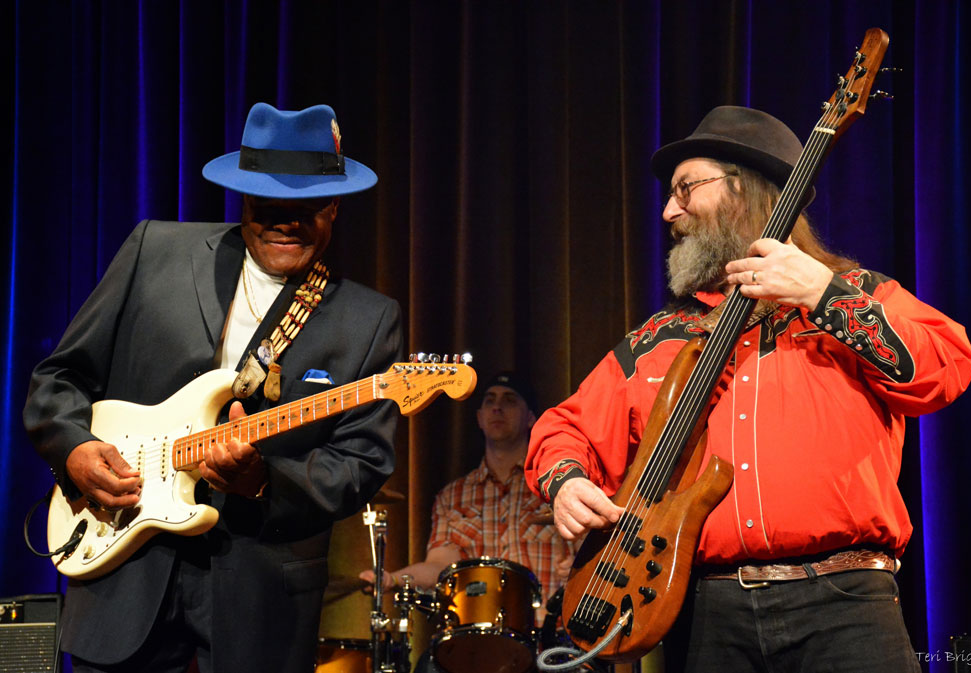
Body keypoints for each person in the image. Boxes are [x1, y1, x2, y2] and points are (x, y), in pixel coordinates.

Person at [525, 106, 971, 672]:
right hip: (707, 615)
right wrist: (565, 483)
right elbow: (564, 429)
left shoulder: (855, 294)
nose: (669, 211)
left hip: (844, 604)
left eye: (686, 189)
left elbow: (947, 367)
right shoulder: (661, 337)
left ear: (743, 189)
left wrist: (823, 294)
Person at [23, 103, 403, 673]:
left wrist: (265, 482)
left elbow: (360, 463)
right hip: (122, 573)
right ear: (241, 196)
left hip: (260, 596)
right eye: (268, 204)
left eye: (306, 207)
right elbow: (60, 377)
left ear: (334, 206)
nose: (286, 221)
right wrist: (74, 449)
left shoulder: (368, 320)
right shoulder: (155, 252)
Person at [364, 371, 573, 607]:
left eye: (509, 400)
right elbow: (439, 566)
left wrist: (576, 570)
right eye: (490, 401)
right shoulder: (452, 496)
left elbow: (588, 554)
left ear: (531, 418)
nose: (497, 408)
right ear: (479, 419)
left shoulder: (555, 486)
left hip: (546, 632)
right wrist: (392, 579)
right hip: (477, 633)